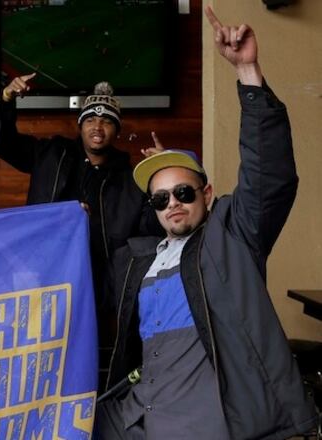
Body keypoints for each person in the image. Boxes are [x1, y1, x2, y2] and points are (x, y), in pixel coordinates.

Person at [95, 7, 318, 438]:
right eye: (161, 198)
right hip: (135, 415)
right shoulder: (137, 260)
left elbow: (268, 173)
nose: (173, 203)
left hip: (206, 419)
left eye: (184, 192)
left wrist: (248, 71)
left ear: (208, 194)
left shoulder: (232, 234)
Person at [0, 75, 162, 335]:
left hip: (96, 293)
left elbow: (153, 226)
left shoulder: (131, 182)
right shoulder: (50, 154)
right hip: (41, 277)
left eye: (107, 121)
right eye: (91, 120)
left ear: (117, 130)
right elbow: (2, 142)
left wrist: (162, 174)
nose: (98, 126)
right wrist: (6, 100)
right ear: (80, 125)